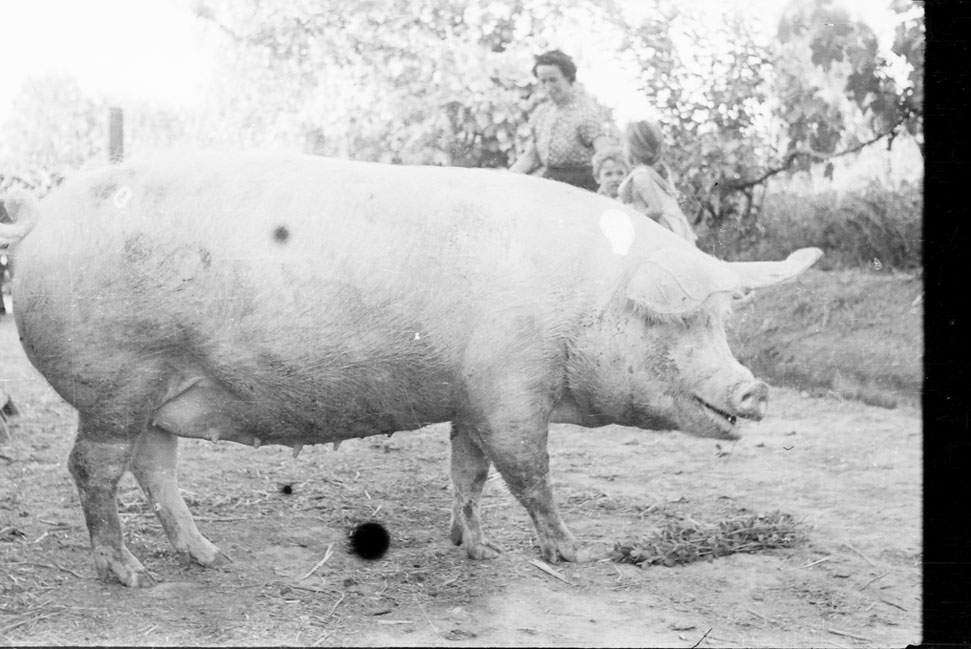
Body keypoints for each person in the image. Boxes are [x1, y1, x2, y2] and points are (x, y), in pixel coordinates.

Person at [509, 50, 611, 191]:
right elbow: (531, 156)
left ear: (568, 78)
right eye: (543, 81)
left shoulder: (585, 112)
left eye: (553, 80)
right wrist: (507, 178)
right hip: (550, 181)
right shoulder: (541, 113)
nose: (548, 86)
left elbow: (605, 152)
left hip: (582, 185)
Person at [617, 120, 697, 245]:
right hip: (674, 231)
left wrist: (631, 223)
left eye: (624, 144)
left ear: (634, 148)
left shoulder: (641, 176)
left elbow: (656, 210)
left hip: (663, 234)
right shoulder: (656, 172)